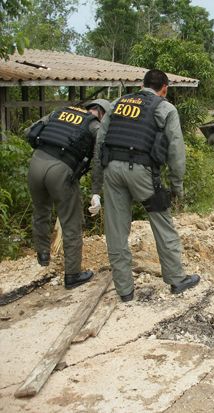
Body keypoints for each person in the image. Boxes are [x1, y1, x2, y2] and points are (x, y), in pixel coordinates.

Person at [90, 69, 200, 302]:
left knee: (116, 231)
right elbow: (176, 151)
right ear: (164, 88)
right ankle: (177, 279)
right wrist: (177, 186)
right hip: (142, 172)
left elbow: (100, 143)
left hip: (112, 171)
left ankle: (125, 291)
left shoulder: (117, 103)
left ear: (142, 85)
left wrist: (95, 188)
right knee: (162, 223)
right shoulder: (165, 108)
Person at [25, 99, 110, 289]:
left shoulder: (60, 112)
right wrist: (96, 192)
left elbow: (29, 131)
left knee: (41, 211)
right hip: (61, 171)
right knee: (71, 222)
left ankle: (43, 255)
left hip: (36, 163)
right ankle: (72, 275)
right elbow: (98, 161)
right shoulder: (95, 127)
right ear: (103, 113)